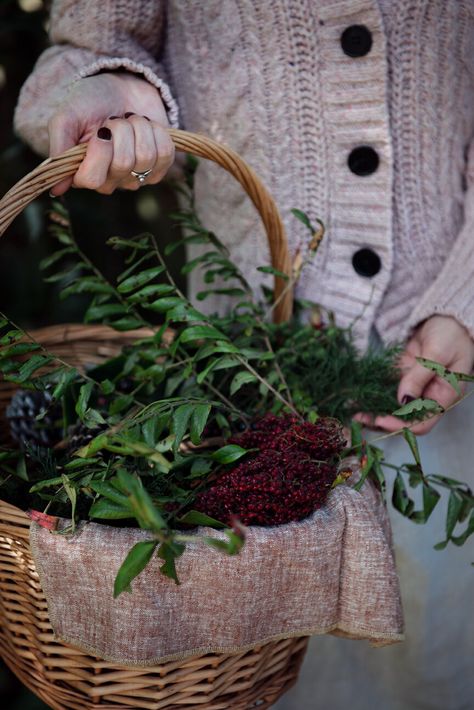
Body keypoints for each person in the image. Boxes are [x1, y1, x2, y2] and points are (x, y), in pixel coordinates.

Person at [13, 2, 474, 708]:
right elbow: (91, 45)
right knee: (241, 656)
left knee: (426, 647)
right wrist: (110, 84)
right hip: (232, 381)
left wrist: (466, 298)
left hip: (439, 371)